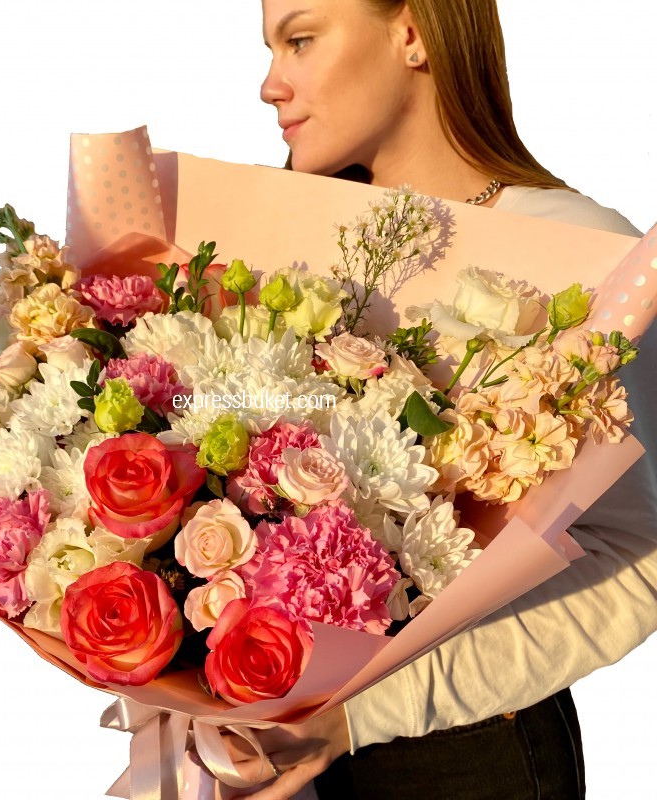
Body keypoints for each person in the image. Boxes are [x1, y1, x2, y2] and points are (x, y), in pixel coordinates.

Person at [220, 1, 657, 798]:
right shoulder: (269, 253)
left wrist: (363, 712)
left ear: (412, 33)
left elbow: (639, 562)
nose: (268, 85)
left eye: (300, 40)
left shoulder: (583, 253)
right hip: (261, 752)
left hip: (468, 757)